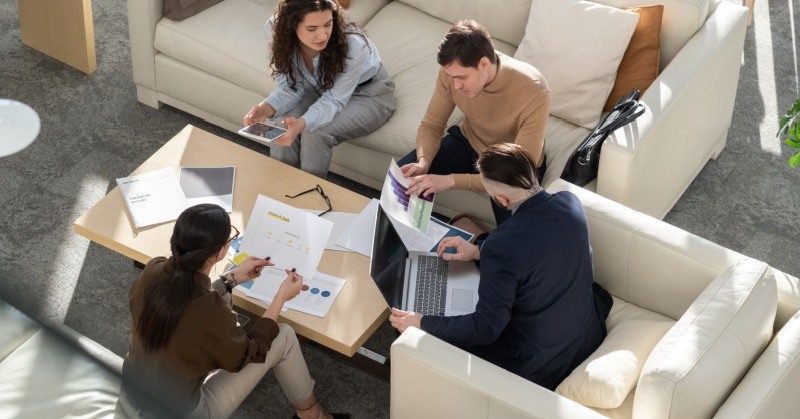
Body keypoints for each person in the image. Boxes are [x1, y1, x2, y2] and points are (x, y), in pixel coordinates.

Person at [389, 143, 612, 391]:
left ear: (502, 200)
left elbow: (486, 328)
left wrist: (422, 323)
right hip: (585, 334)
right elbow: (544, 252)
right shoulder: (570, 203)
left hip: (539, 364)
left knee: (413, 331)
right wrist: (477, 250)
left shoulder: (501, 246)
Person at [120, 204, 346, 419]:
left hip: (133, 392)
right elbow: (247, 353)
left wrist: (233, 278)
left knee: (223, 295)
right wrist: (280, 297)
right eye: (231, 237)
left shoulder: (153, 270)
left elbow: (190, 300)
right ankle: (312, 415)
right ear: (219, 251)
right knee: (284, 335)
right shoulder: (211, 313)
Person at [397, 20, 551, 225]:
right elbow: (432, 126)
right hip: (469, 143)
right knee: (401, 181)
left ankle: (470, 233)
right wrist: (424, 161)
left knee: (514, 237)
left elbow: (516, 170)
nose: (455, 85)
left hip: (512, 167)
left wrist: (450, 181)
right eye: (451, 77)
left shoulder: (534, 90)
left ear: (484, 64)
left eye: (462, 77)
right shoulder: (451, 72)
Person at [244, 0, 395, 178]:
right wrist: (265, 109)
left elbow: (334, 100)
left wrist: (301, 124)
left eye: (328, 24)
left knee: (314, 131)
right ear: (291, 25)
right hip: (319, 87)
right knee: (285, 122)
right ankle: (277, 186)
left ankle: (309, 197)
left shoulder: (354, 45)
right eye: (311, 29)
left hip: (369, 94)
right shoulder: (274, 28)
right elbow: (290, 86)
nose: (322, 36)